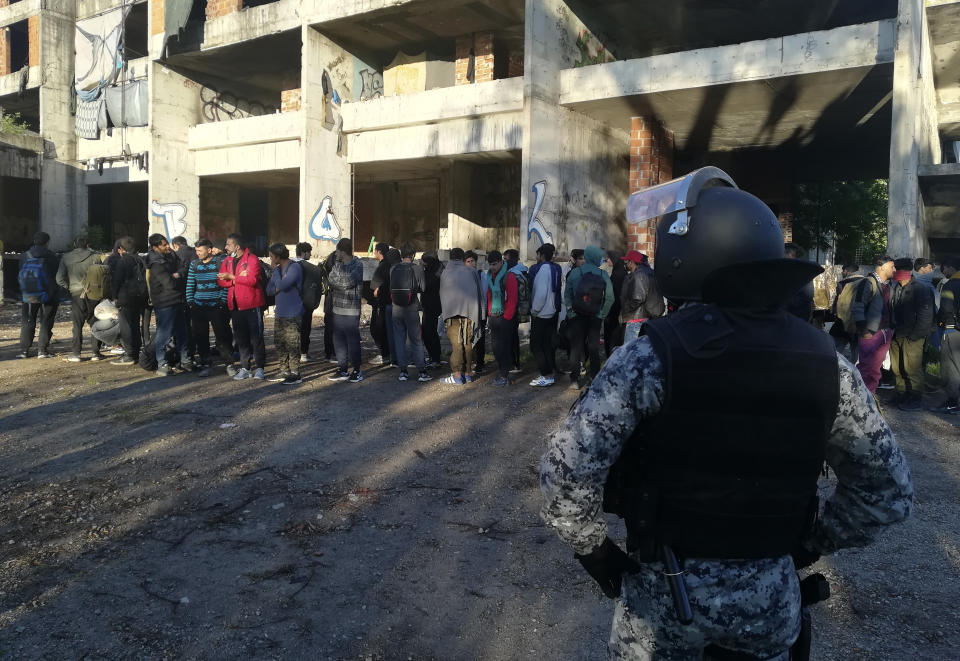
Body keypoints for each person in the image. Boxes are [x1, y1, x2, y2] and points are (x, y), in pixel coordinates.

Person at [540, 169, 913, 661]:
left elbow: (566, 475)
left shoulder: (650, 357)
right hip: (771, 600)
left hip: (663, 598)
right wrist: (807, 545)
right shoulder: (828, 364)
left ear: (688, 258)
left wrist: (596, 553)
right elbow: (886, 492)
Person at [563, 245, 614, 390]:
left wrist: (571, 313)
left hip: (577, 316)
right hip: (595, 317)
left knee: (576, 348)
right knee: (593, 348)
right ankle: (594, 378)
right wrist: (601, 314)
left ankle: (574, 380)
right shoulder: (603, 274)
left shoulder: (575, 272)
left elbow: (567, 295)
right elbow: (610, 298)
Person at [889, 258, 936, 411]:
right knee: (897, 367)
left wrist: (916, 335)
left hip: (912, 335)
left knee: (912, 368)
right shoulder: (896, 287)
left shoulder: (920, 288)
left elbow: (926, 314)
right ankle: (902, 393)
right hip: (897, 333)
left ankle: (915, 397)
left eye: (896, 269)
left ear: (904, 271)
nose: (894, 272)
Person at [218, 233, 267, 380]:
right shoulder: (227, 261)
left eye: (228, 244)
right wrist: (239, 279)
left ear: (237, 246)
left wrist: (232, 277)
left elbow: (252, 280)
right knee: (241, 338)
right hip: (235, 305)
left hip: (252, 305)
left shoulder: (252, 259)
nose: (225, 247)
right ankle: (245, 367)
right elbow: (221, 280)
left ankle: (259, 368)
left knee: (256, 338)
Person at [186, 238, 233, 377]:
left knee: (222, 336)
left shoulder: (220, 263)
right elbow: (190, 284)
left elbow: (225, 283)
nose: (198, 253)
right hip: (198, 306)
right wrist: (190, 301)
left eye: (200, 250)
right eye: (196, 251)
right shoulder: (194, 264)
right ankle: (205, 363)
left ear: (209, 249)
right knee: (201, 337)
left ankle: (229, 364)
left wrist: (222, 301)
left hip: (216, 306)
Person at [146, 234, 192, 376]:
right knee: (164, 334)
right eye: (164, 245)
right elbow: (169, 283)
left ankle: (185, 361)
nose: (168, 247)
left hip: (177, 300)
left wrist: (177, 274)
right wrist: (177, 276)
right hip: (165, 302)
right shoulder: (155, 263)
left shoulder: (171, 255)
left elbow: (184, 269)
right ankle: (162, 363)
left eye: (167, 243)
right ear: (155, 247)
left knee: (182, 332)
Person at [851, 255, 895, 393]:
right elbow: (857, 307)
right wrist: (863, 330)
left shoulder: (889, 285)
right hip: (871, 333)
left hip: (885, 332)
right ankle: (860, 398)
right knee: (866, 367)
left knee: (875, 369)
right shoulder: (868, 283)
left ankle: (871, 395)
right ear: (882, 267)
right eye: (891, 266)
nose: (894, 269)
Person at [56, 236, 102, 362]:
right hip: (93, 293)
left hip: (76, 293)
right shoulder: (96, 257)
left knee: (77, 325)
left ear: (75, 244)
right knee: (95, 322)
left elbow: (59, 279)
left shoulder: (66, 257)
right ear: (88, 244)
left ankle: (76, 354)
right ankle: (96, 353)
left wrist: (70, 287)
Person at [441, 248, 483, 384]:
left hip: (452, 313)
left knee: (457, 344)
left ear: (450, 257)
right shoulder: (471, 271)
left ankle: (457, 375)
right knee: (468, 343)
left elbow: (442, 294)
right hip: (470, 312)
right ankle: (468, 373)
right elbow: (479, 292)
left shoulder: (445, 272)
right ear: (461, 258)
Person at [390, 242, 431, 382]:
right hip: (411, 307)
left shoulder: (393, 268)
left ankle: (403, 371)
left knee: (399, 338)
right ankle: (421, 371)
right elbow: (423, 288)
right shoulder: (417, 268)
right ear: (413, 255)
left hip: (396, 308)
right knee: (415, 339)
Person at [17, 231, 61, 359]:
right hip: (49, 294)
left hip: (29, 294)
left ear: (34, 241)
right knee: (46, 321)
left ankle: (24, 350)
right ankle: (42, 350)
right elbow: (55, 274)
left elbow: (21, 272)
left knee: (28, 321)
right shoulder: (51, 256)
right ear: (47, 243)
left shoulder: (25, 256)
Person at [327, 238, 365, 383]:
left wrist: (338, 282)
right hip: (337, 309)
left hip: (351, 310)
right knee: (338, 341)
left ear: (343, 251)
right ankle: (342, 368)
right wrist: (338, 281)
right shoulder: (337, 264)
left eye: (337, 250)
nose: (335, 253)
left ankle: (356, 370)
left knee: (353, 341)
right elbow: (331, 279)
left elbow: (348, 283)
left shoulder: (358, 265)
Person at [266, 243, 304, 385]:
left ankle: (295, 372)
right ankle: (284, 369)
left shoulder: (294, 267)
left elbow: (282, 286)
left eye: (271, 256)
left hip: (293, 312)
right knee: (280, 341)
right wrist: (278, 279)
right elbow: (269, 290)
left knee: (293, 342)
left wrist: (277, 278)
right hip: (280, 312)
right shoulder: (278, 270)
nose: (270, 259)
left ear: (278, 256)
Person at [110, 236, 149, 366]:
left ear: (121, 249)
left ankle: (129, 355)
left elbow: (117, 281)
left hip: (125, 297)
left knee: (126, 326)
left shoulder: (123, 261)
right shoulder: (141, 260)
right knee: (135, 325)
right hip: (140, 297)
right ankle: (136, 352)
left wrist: (114, 296)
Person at [528, 243, 562, 387]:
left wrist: (534, 310)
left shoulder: (543, 269)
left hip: (541, 313)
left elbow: (541, 294)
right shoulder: (556, 268)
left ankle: (546, 374)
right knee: (547, 344)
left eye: (538, 254)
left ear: (541, 255)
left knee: (535, 345)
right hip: (552, 312)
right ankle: (550, 373)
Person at [485, 250, 520, 386]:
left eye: (494, 264)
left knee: (504, 347)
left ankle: (504, 375)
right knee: (496, 347)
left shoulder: (509, 276)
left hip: (505, 317)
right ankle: (502, 372)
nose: (492, 267)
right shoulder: (490, 276)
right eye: (490, 264)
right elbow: (489, 295)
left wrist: (506, 318)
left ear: (501, 262)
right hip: (494, 315)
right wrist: (489, 313)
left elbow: (512, 299)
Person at [932, 255, 960, 414]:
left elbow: (946, 309)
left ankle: (953, 402)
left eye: (944, 268)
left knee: (952, 367)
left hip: (952, 330)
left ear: (950, 267)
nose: (943, 271)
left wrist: (940, 323)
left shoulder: (951, 285)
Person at [619, 250, 664, 343]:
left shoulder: (639, 275)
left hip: (636, 318)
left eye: (626, 262)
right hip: (647, 316)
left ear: (631, 262)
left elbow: (638, 298)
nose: (625, 264)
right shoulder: (650, 272)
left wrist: (625, 309)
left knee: (631, 348)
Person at [369, 243, 397, 366]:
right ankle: (389, 353)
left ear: (379, 251)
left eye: (375, 251)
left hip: (382, 302)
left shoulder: (384, 266)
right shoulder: (390, 265)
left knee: (378, 329)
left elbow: (378, 286)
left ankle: (385, 354)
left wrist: (377, 290)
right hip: (390, 302)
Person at [829, 263, 864, 362]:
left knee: (837, 348)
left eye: (843, 271)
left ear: (846, 271)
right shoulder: (866, 283)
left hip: (843, 322)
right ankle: (854, 370)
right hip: (859, 321)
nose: (842, 273)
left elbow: (836, 303)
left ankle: (835, 366)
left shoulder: (842, 284)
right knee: (856, 350)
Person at [295, 242, 323, 363]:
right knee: (305, 329)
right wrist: (315, 302)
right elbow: (317, 288)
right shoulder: (313, 269)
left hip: (291, 304)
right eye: (309, 252)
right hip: (307, 303)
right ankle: (303, 353)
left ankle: (292, 354)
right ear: (304, 253)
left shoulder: (288, 266)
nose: (310, 254)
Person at [172, 235, 196, 360]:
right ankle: (193, 349)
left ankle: (183, 353)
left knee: (183, 326)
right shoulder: (196, 253)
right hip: (197, 294)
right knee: (195, 325)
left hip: (181, 294)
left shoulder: (176, 255)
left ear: (175, 245)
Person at [504, 249, 528, 373]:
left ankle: (513, 363)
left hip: (512, 309)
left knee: (511, 336)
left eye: (506, 259)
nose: (504, 262)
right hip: (519, 309)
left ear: (512, 259)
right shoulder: (522, 270)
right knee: (513, 336)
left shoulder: (513, 273)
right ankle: (515, 363)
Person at [466, 250, 488, 375]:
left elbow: (484, 294)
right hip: (468, 311)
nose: (470, 264)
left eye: (472, 261)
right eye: (467, 261)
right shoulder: (464, 276)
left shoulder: (482, 275)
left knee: (480, 338)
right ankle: (471, 361)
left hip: (480, 311)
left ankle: (480, 363)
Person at [420, 252, 444, 368]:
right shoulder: (435, 270)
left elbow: (425, 286)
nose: (422, 263)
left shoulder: (435, 274)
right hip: (430, 306)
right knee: (429, 332)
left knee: (429, 333)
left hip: (432, 306)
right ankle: (434, 356)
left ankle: (435, 358)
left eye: (423, 261)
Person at [784, 242, 815, 322]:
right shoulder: (786, 270)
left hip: (799, 317)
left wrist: (785, 302)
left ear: (791, 254)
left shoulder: (803, 271)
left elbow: (808, 295)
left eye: (784, 254)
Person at [604, 249, 627, 356]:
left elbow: (616, 295)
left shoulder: (618, 274)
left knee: (612, 338)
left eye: (609, 258)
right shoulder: (619, 271)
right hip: (617, 311)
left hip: (614, 312)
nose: (607, 260)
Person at [320, 251, 337, 363]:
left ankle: (328, 353)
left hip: (328, 300)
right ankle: (335, 353)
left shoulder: (326, 263)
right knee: (336, 328)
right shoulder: (337, 263)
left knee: (328, 328)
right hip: (335, 299)